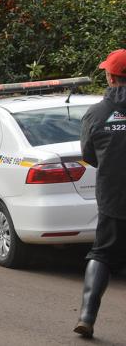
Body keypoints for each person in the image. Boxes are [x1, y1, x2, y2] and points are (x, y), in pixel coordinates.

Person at [73, 49, 126, 338]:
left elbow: (89, 155)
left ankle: (86, 316)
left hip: (113, 196)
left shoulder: (96, 113)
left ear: (109, 76)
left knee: (102, 253)